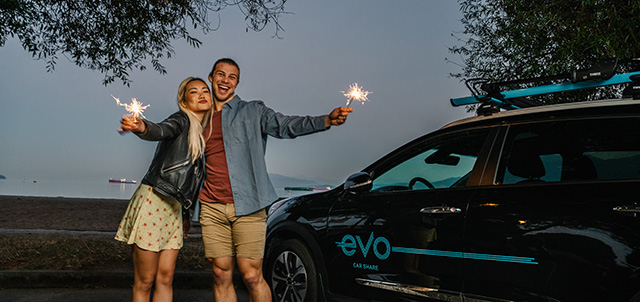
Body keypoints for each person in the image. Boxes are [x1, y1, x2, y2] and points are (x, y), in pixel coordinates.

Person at [198, 58, 352, 302]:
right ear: (211, 77)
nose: (225, 80)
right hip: (211, 206)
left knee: (251, 275)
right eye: (220, 74)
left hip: (249, 205)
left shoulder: (252, 110)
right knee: (220, 273)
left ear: (236, 83)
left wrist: (325, 120)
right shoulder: (199, 117)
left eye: (232, 77)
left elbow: (286, 125)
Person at [114, 77, 212, 302]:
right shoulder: (182, 119)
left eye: (205, 90)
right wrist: (142, 127)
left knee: (166, 278)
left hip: (174, 210)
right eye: (194, 92)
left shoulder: (200, 134)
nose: (201, 94)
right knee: (145, 280)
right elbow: (161, 130)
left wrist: (186, 215)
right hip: (153, 202)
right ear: (184, 101)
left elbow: (188, 184)